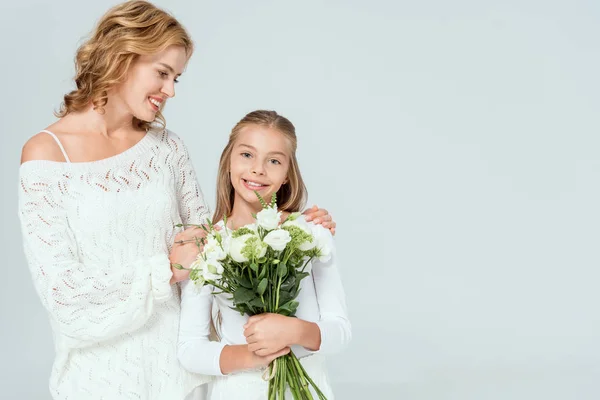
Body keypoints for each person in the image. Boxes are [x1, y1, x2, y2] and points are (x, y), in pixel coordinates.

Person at [17, 2, 335, 399]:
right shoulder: (47, 157)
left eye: (176, 78)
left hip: (184, 378)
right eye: (162, 73)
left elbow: (214, 251)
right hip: (97, 380)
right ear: (121, 58)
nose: (169, 90)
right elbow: (64, 298)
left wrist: (292, 227)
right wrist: (164, 270)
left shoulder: (167, 149)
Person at [177, 110, 351, 399]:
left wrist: (295, 331)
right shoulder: (208, 245)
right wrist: (254, 354)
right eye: (247, 155)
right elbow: (190, 349)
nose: (258, 169)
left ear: (286, 175)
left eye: (273, 160)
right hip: (239, 390)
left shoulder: (310, 234)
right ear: (228, 161)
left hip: (307, 386)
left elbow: (340, 331)